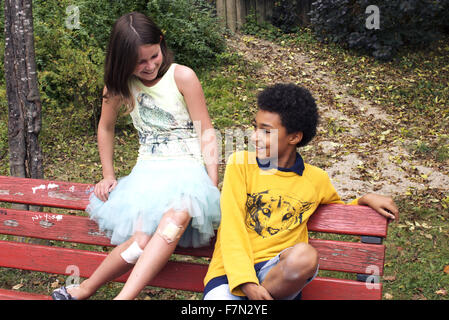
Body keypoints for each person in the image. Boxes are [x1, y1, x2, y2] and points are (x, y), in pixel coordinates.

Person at [51, 12, 220, 300]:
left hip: (188, 174)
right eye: (139, 62)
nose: (149, 65)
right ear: (122, 60)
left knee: (174, 220)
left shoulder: (182, 77)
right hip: (148, 176)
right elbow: (105, 127)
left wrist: (211, 185)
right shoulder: (120, 87)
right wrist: (108, 175)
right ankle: (85, 288)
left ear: (161, 43)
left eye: (153, 56)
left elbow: (206, 132)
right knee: (139, 241)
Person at [203, 83, 399, 300]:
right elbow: (232, 226)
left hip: (278, 274)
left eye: (266, 131)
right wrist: (247, 283)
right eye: (255, 127)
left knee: (306, 255)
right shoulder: (240, 164)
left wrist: (364, 199)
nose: (255, 136)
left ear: (294, 137)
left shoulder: (316, 180)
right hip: (230, 273)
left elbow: (339, 211)